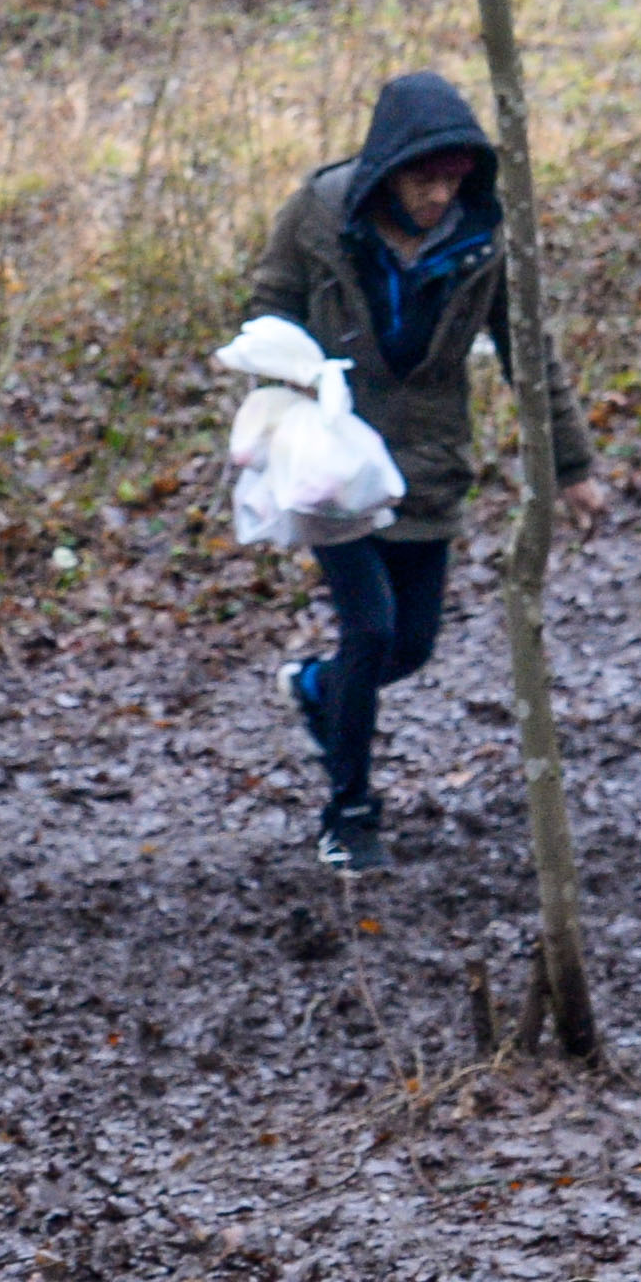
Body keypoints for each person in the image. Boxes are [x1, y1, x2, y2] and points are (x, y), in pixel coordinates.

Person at [244, 72, 605, 874]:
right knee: (367, 630)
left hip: (428, 469)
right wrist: (282, 408)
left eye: (452, 179)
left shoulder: (487, 236)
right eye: (423, 179)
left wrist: (572, 464)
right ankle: (349, 815)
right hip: (330, 467)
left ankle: (315, 690)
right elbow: (269, 310)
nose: (439, 195)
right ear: (386, 170)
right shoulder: (319, 213)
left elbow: (527, 350)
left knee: (408, 646)